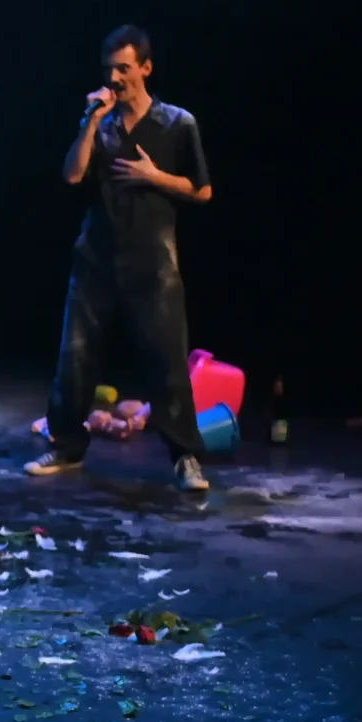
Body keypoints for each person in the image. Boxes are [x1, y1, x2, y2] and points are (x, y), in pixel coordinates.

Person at [27, 25, 215, 492]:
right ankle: (67, 446)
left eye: (124, 68)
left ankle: (185, 458)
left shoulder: (178, 123)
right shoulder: (102, 124)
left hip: (154, 263)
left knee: (167, 364)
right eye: (109, 69)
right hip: (96, 259)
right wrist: (89, 123)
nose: (114, 78)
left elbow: (202, 190)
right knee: (75, 358)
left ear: (146, 68)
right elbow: (73, 176)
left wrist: (154, 176)